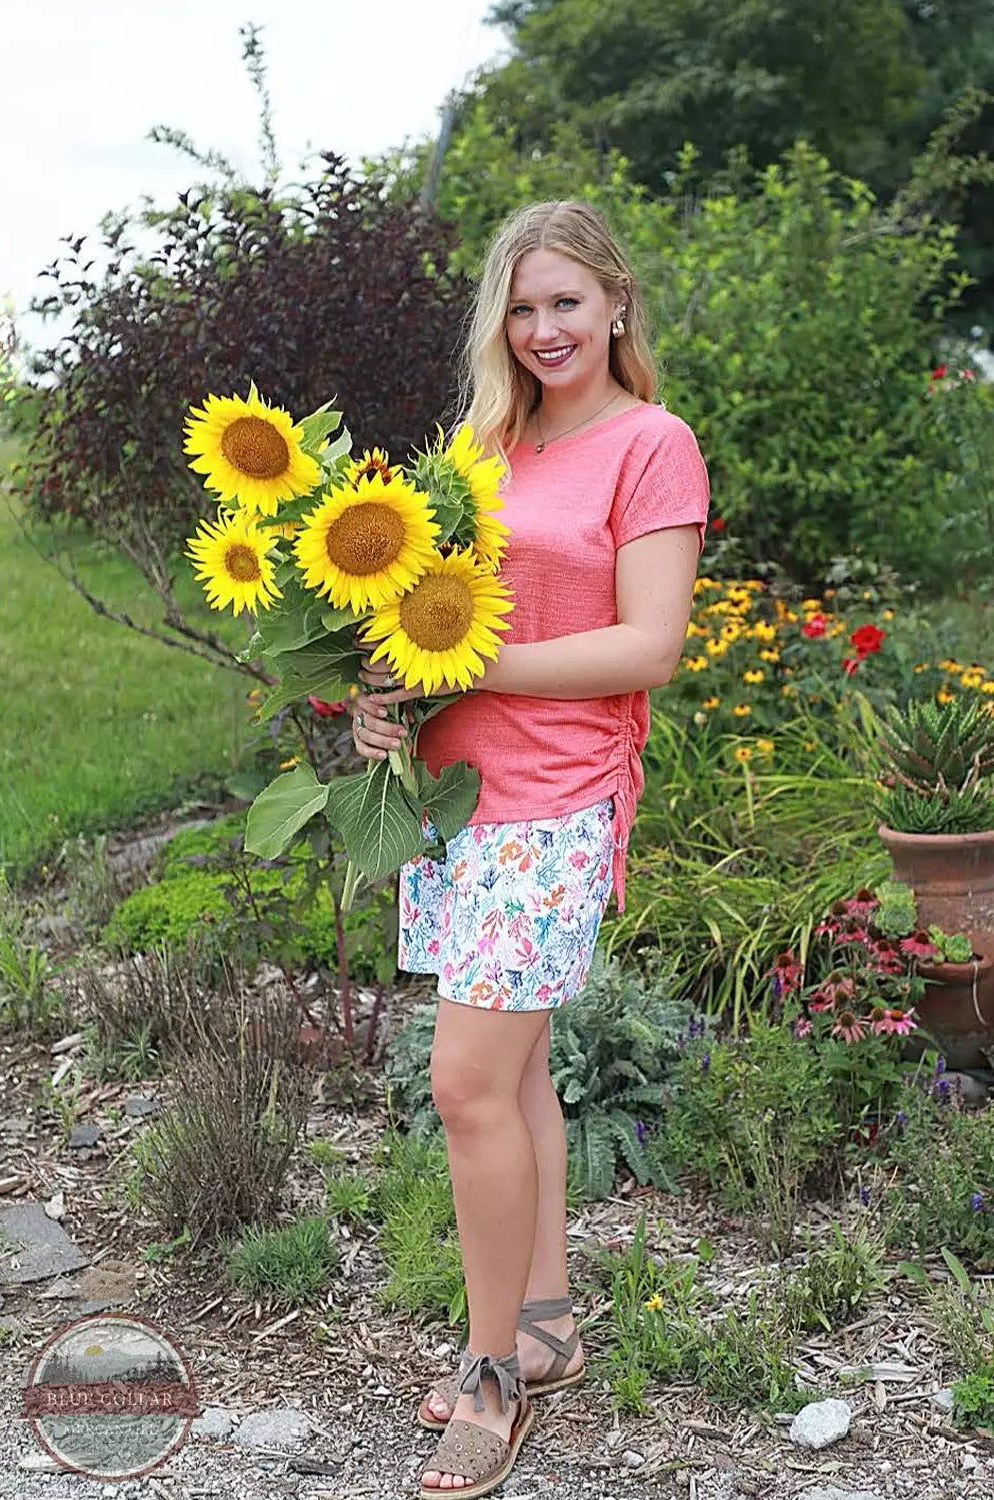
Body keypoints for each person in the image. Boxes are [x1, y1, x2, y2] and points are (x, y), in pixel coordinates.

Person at [348, 199, 709, 1499]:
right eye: (523, 304)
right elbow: (419, 613)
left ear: (616, 305)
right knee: (519, 1074)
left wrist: (473, 658)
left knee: (465, 1087)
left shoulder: (650, 444)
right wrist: (387, 691)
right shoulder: (481, 449)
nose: (545, 326)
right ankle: (546, 1323)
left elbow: (648, 645)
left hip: (556, 804)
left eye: (567, 301)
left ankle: (492, 1374)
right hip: (451, 800)